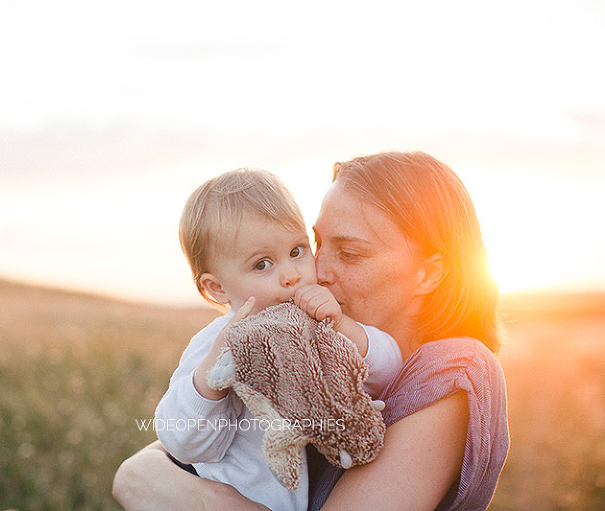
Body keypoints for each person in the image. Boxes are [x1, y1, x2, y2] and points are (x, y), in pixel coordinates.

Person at [112, 152, 510, 511]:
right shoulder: (296, 348)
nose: (316, 271)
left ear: (428, 273)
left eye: (350, 253)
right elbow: (171, 447)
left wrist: (180, 491)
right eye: (317, 244)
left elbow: (150, 472)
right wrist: (140, 472)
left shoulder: (455, 369)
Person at [153, 168, 402, 511]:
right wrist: (208, 381)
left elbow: (389, 369)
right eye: (262, 264)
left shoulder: (318, 322)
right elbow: (182, 440)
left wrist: (342, 323)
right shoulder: (217, 344)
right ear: (217, 288)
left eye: (298, 250)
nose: (290, 275)